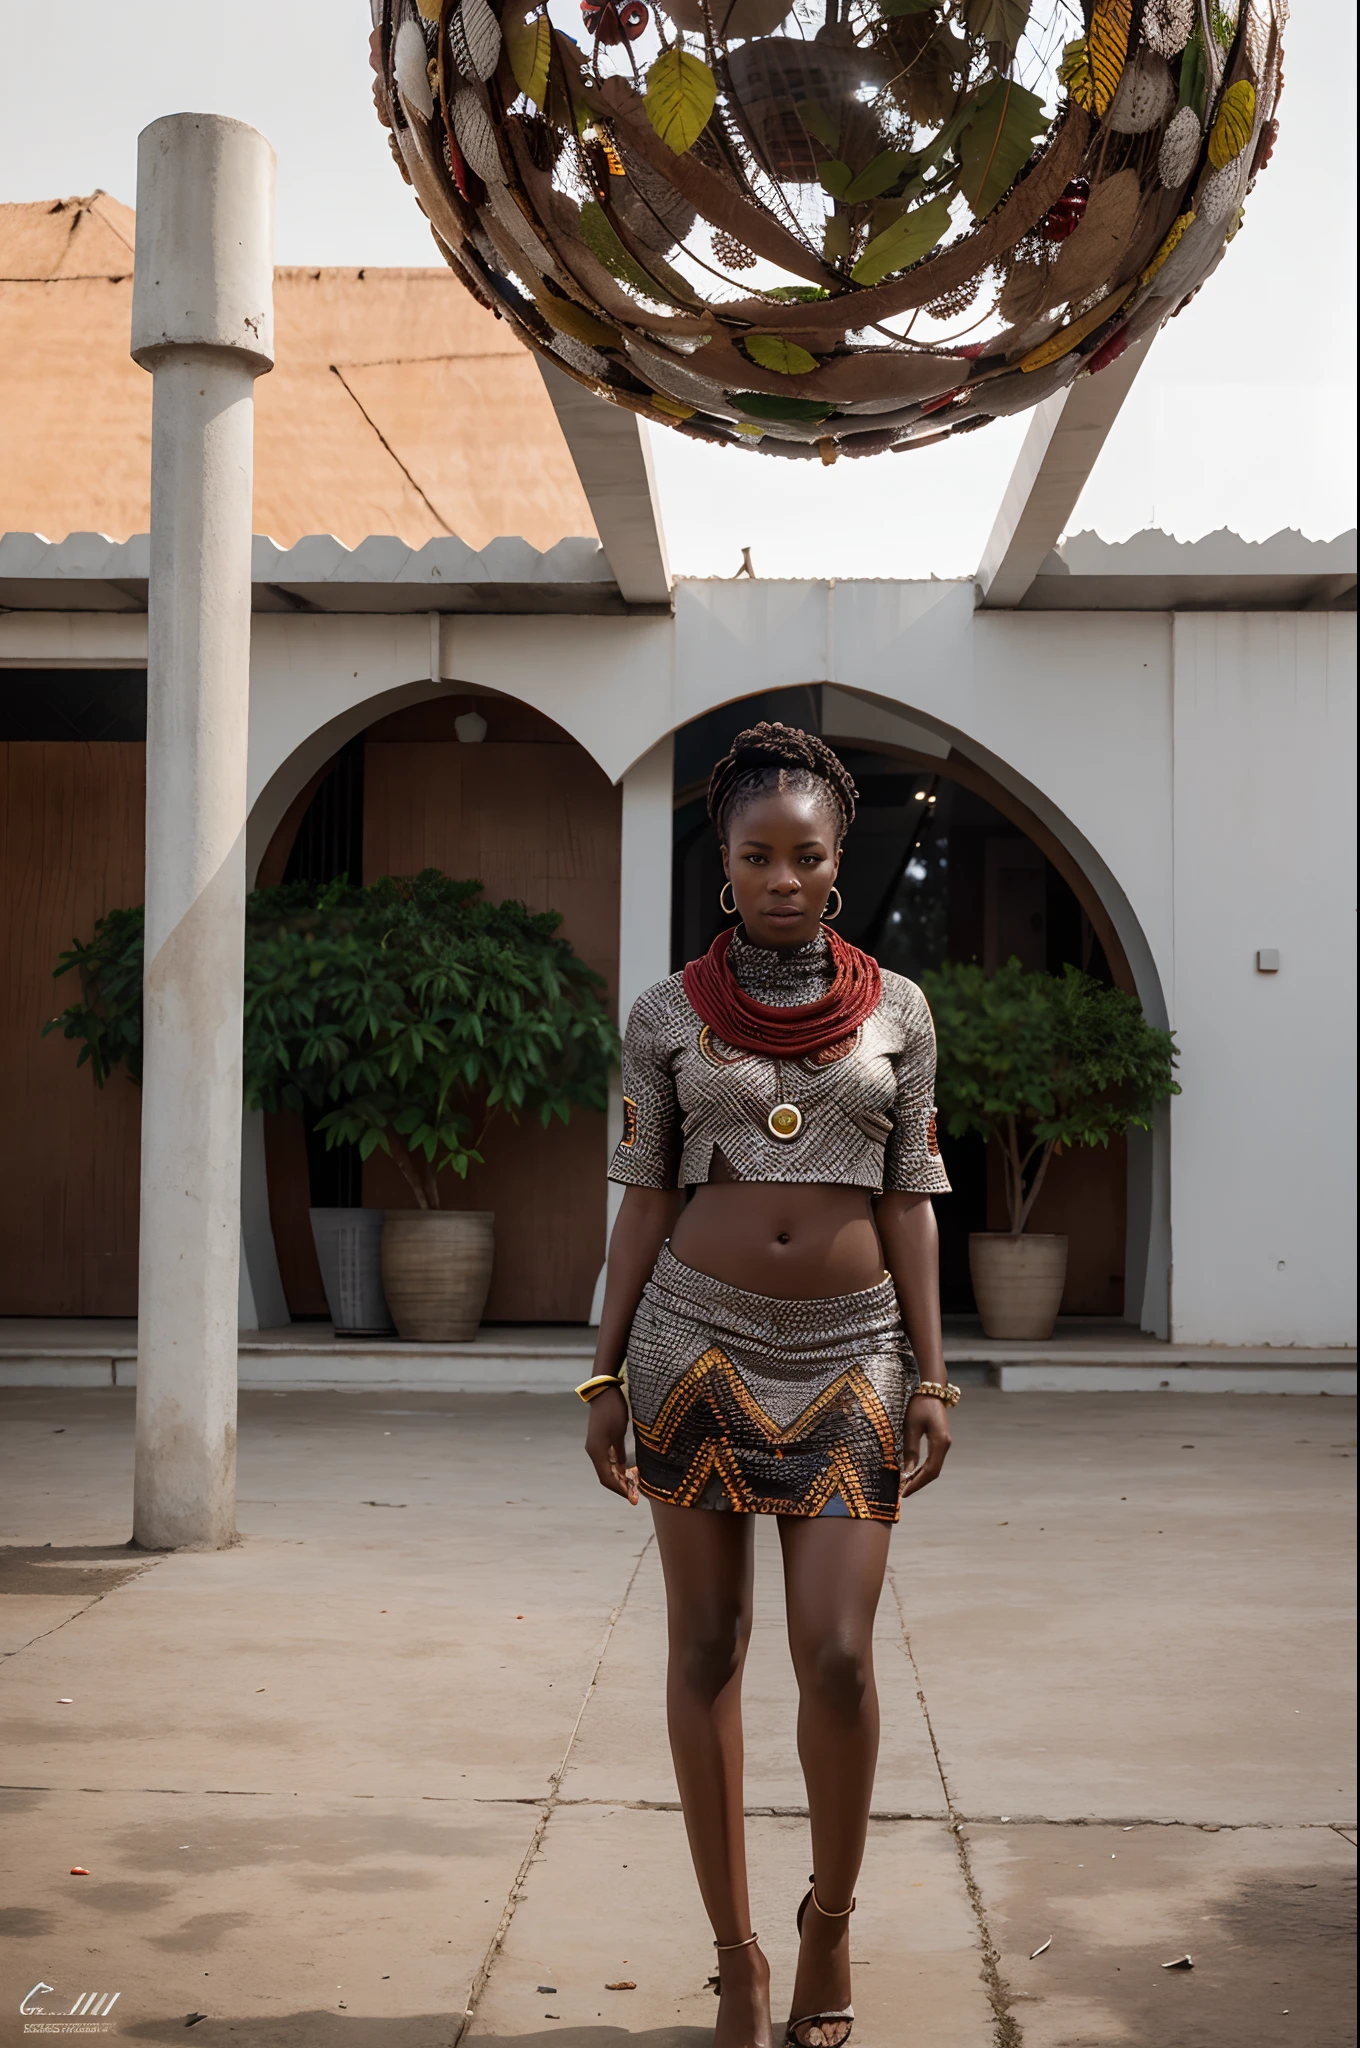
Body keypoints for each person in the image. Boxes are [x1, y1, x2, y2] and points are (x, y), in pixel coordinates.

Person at [579, 722, 959, 2048]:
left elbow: (911, 1196)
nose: (784, 874)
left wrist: (933, 1374)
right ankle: (736, 1954)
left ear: (839, 861)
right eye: (758, 853)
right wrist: (602, 1370)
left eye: (807, 853)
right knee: (704, 1649)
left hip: (854, 1352)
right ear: (726, 866)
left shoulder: (900, 1010)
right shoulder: (667, 1017)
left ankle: (827, 1922)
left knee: (840, 1659)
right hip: (694, 1347)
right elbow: (640, 1197)